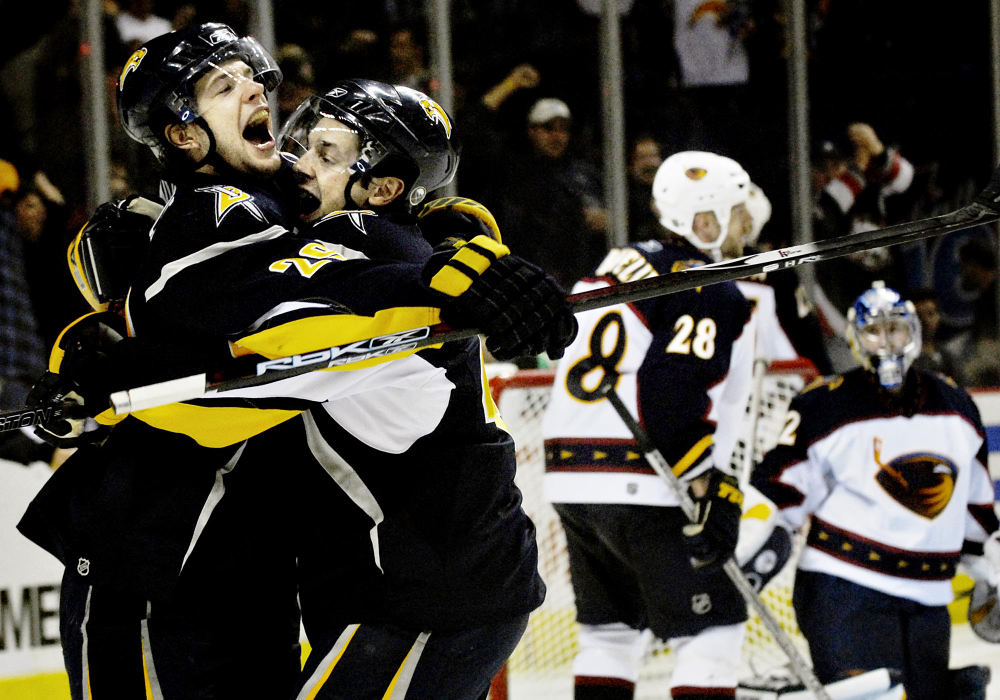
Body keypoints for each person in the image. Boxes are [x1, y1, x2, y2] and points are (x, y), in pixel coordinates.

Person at [18, 24, 575, 700]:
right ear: (185, 135)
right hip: (155, 570)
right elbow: (293, 308)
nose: (258, 90)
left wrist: (440, 242)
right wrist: (429, 276)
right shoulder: (205, 218)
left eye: (250, 77)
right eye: (224, 85)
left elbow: (355, 253)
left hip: (262, 579)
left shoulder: (294, 207)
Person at [541, 150, 757, 699]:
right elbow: (671, 392)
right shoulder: (706, 285)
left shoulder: (616, 262)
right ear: (702, 222)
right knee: (712, 635)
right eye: (737, 212)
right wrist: (703, 482)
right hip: (645, 479)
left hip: (572, 478)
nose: (747, 224)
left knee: (609, 635)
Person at [751, 281, 1000, 700]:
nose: (886, 342)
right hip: (845, 593)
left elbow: (976, 513)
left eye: (895, 330)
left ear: (914, 334)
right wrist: (750, 547)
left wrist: (991, 573)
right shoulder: (823, 405)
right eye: (874, 331)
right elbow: (778, 493)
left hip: (928, 599)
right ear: (855, 339)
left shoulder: (956, 405)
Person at [497, 96, 608, 292]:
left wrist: (607, 219)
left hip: (580, 282)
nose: (557, 137)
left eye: (563, 129)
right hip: (529, 284)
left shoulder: (584, 173)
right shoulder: (513, 174)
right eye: (549, 128)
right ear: (531, 131)